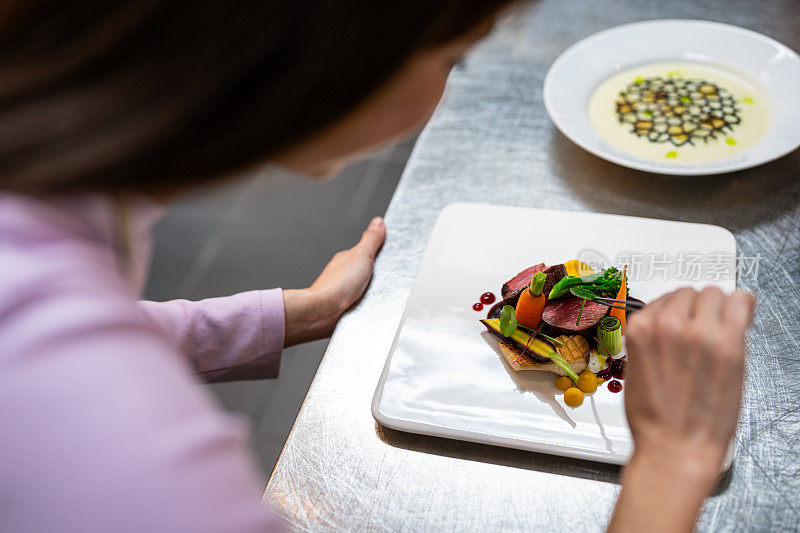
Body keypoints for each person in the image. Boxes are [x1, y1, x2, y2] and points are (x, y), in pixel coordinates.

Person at [0, 1, 755, 531]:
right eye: (453, 56)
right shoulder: (112, 443)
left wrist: (300, 313)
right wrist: (674, 459)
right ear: (327, 53)